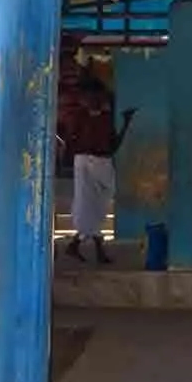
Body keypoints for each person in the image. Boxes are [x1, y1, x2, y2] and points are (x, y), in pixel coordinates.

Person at [57, 63, 132, 265]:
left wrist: (126, 125)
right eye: (91, 97)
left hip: (101, 163)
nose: (95, 101)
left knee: (98, 205)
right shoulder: (80, 118)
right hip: (86, 162)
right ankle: (96, 250)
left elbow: (112, 145)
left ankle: (76, 245)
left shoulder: (105, 118)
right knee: (87, 205)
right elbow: (71, 140)